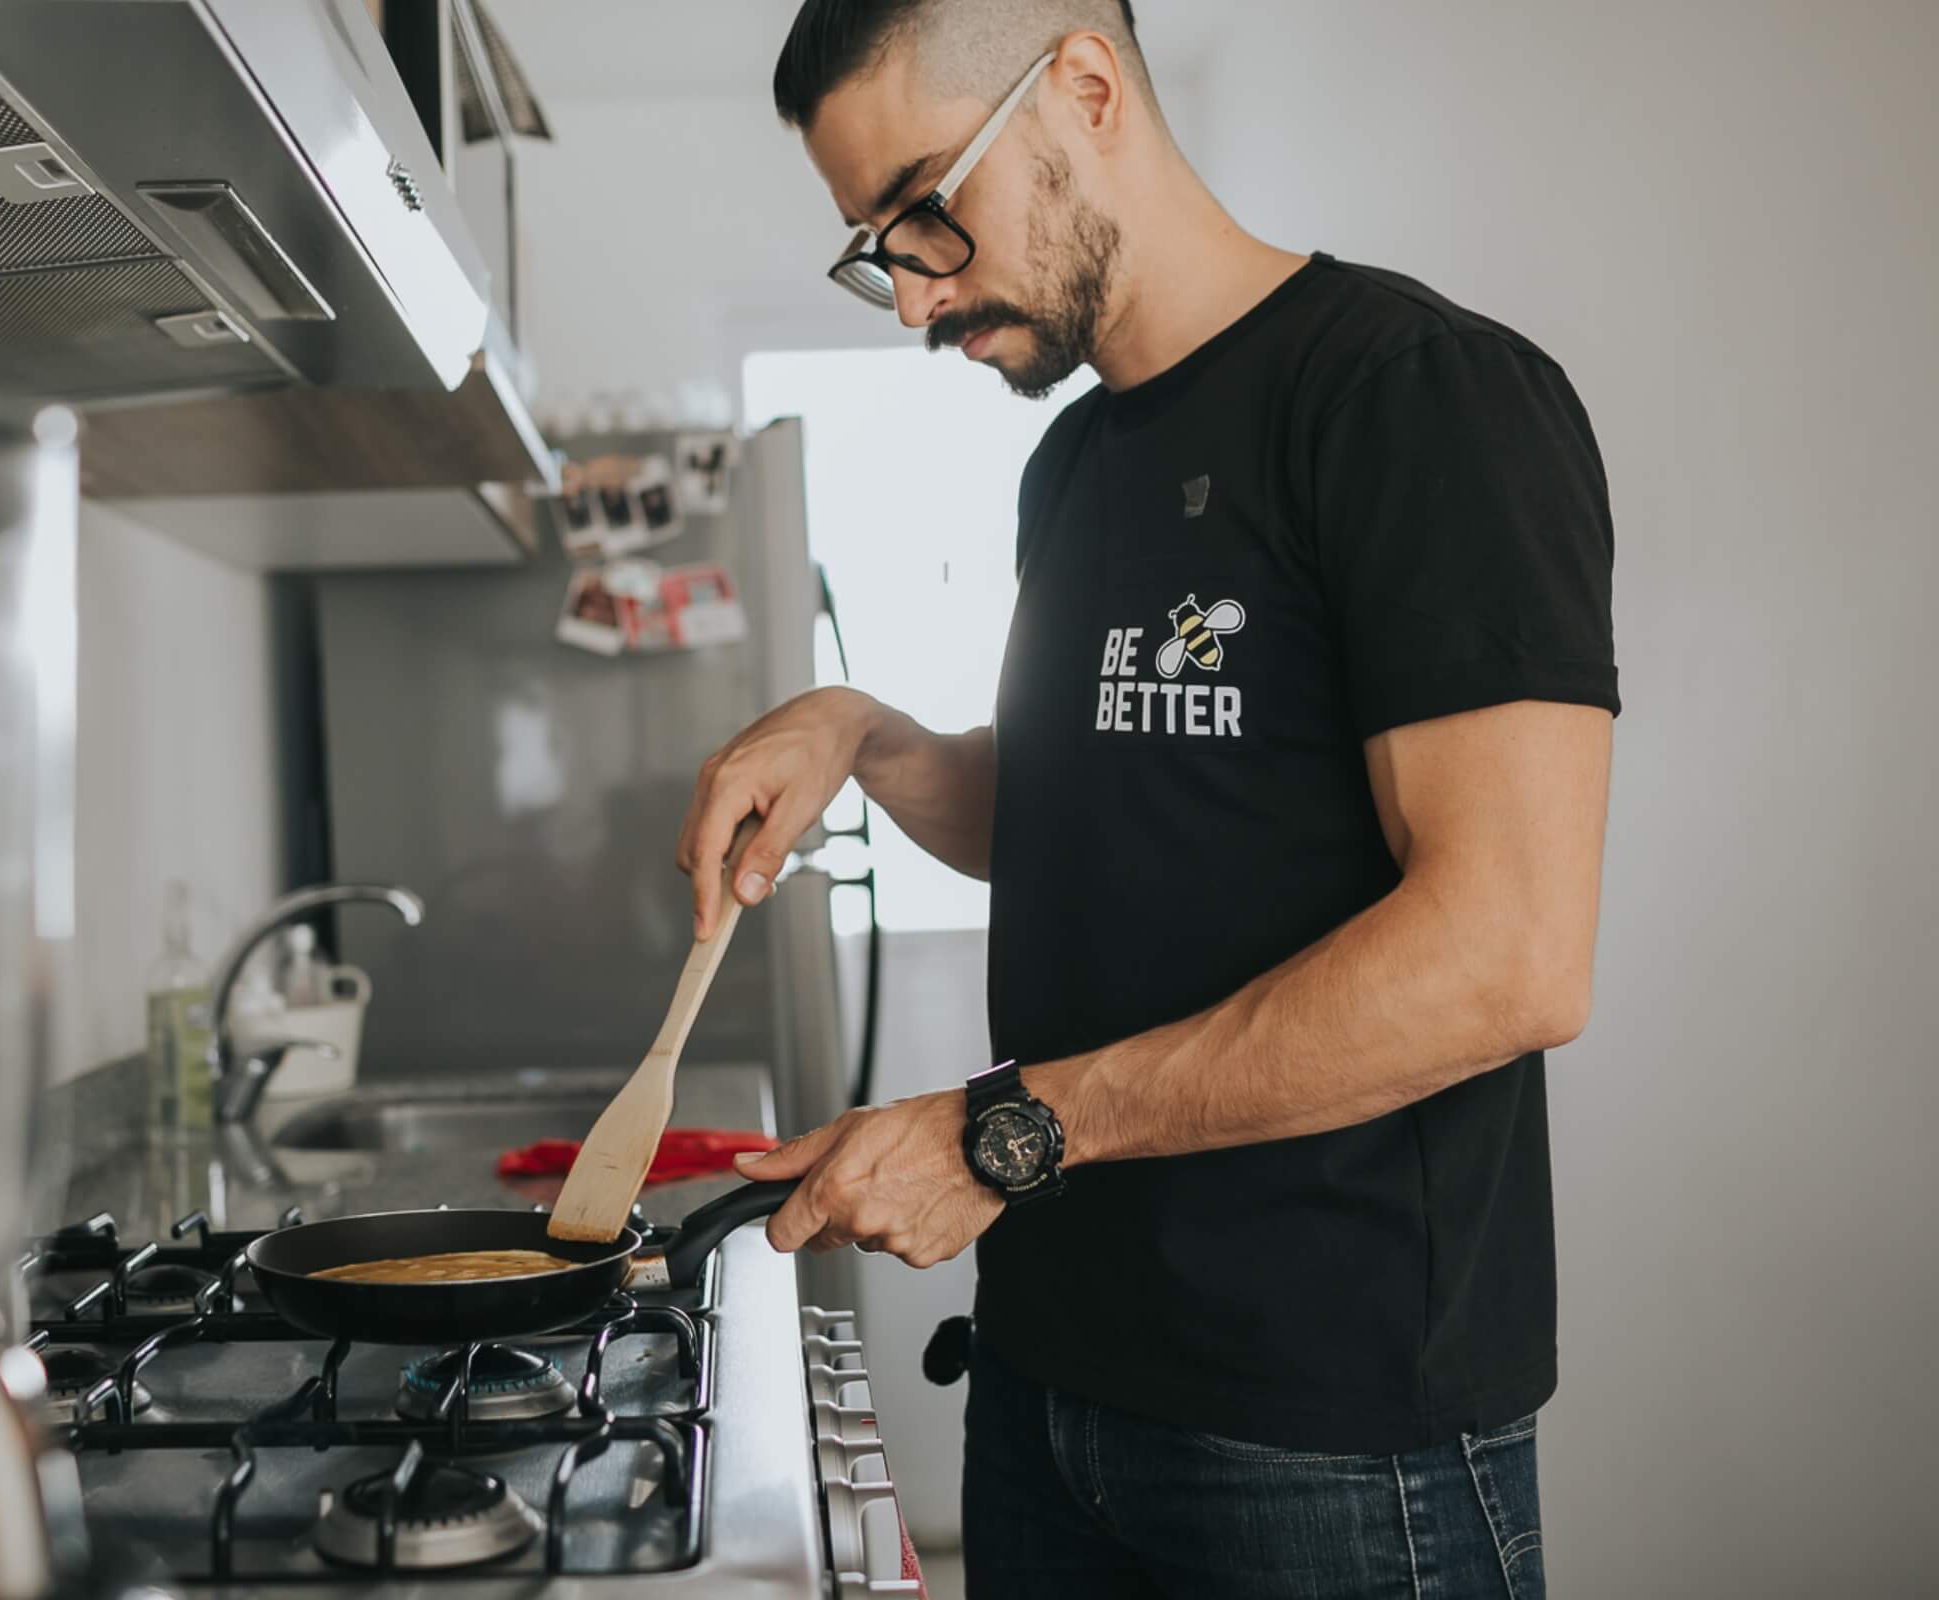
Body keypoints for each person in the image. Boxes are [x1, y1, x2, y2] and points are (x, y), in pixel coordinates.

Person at [676, 2, 1616, 1594]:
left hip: (1327, 1447)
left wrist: (1000, 1136)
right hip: (1049, 1390)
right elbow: (1066, 810)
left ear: (1087, 87)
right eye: (873, 247)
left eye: (922, 211)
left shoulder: (1414, 397)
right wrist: (868, 732)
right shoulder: (1075, 464)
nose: (910, 294)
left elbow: (1508, 953)